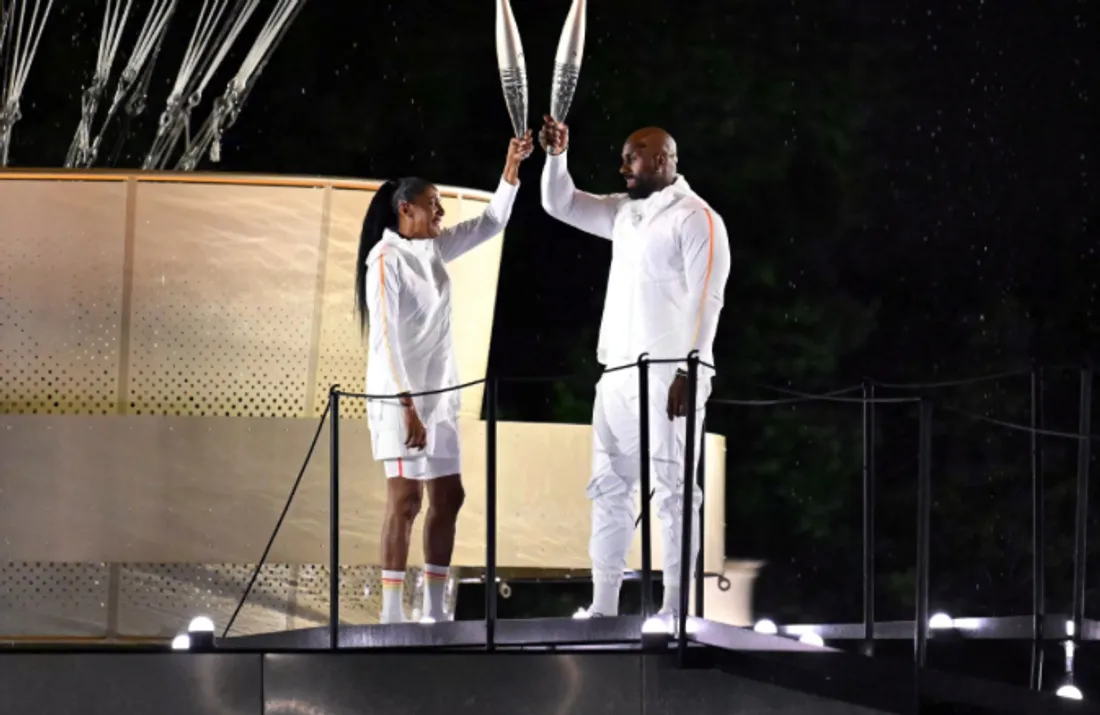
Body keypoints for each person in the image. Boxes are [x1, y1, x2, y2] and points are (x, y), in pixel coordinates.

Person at [538, 115, 731, 619]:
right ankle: (603, 607)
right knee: (608, 488)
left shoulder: (697, 218)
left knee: (673, 491)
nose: (622, 165)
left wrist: (691, 370)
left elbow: (707, 299)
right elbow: (558, 203)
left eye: (632, 156)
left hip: (671, 375)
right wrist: (557, 156)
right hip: (618, 373)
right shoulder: (624, 213)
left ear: (664, 159)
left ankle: (675, 609)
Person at [354, 131, 534, 624]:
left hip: (440, 396)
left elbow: (492, 222)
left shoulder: (432, 250)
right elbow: (385, 340)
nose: (441, 213)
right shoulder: (384, 261)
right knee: (407, 500)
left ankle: (433, 609)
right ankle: (392, 613)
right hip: (400, 399)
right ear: (404, 210)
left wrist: (511, 166)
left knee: (449, 496)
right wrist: (407, 404)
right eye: (432, 205)